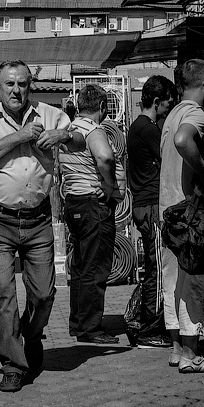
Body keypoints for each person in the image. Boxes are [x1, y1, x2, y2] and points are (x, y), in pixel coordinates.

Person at [0, 60, 85, 392]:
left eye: (23, 84)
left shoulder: (50, 114)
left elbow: (79, 142)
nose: (17, 90)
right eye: (9, 84)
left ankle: (31, 336)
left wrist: (64, 134)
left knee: (44, 294)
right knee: (3, 293)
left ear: (31, 85)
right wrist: (18, 137)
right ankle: (13, 364)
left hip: (38, 218)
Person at [159, 58, 204, 373]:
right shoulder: (194, 114)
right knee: (195, 282)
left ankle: (177, 350)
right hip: (190, 215)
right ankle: (192, 356)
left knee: (173, 281)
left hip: (170, 212)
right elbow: (183, 141)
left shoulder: (173, 113)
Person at [58, 85, 119, 344]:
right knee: (96, 266)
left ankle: (78, 323)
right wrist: (109, 186)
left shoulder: (69, 130)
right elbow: (105, 157)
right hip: (94, 203)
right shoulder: (94, 130)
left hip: (73, 202)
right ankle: (91, 329)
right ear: (103, 107)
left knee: (81, 266)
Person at [126, 75, 177, 348]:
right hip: (152, 207)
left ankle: (145, 322)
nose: (169, 109)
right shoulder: (148, 129)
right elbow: (169, 158)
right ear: (156, 102)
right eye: (168, 104)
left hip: (145, 205)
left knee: (155, 268)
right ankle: (148, 330)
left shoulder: (138, 126)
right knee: (158, 270)